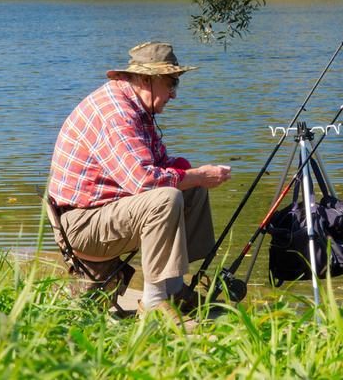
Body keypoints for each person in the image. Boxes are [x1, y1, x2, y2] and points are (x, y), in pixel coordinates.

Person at [48, 41, 231, 326]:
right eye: (171, 84)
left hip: (103, 214)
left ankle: (174, 289)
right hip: (80, 227)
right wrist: (196, 175)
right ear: (146, 79)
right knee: (166, 197)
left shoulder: (137, 108)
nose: (173, 95)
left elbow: (161, 164)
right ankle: (154, 303)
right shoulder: (117, 113)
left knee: (192, 188)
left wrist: (194, 174)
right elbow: (146, 182)